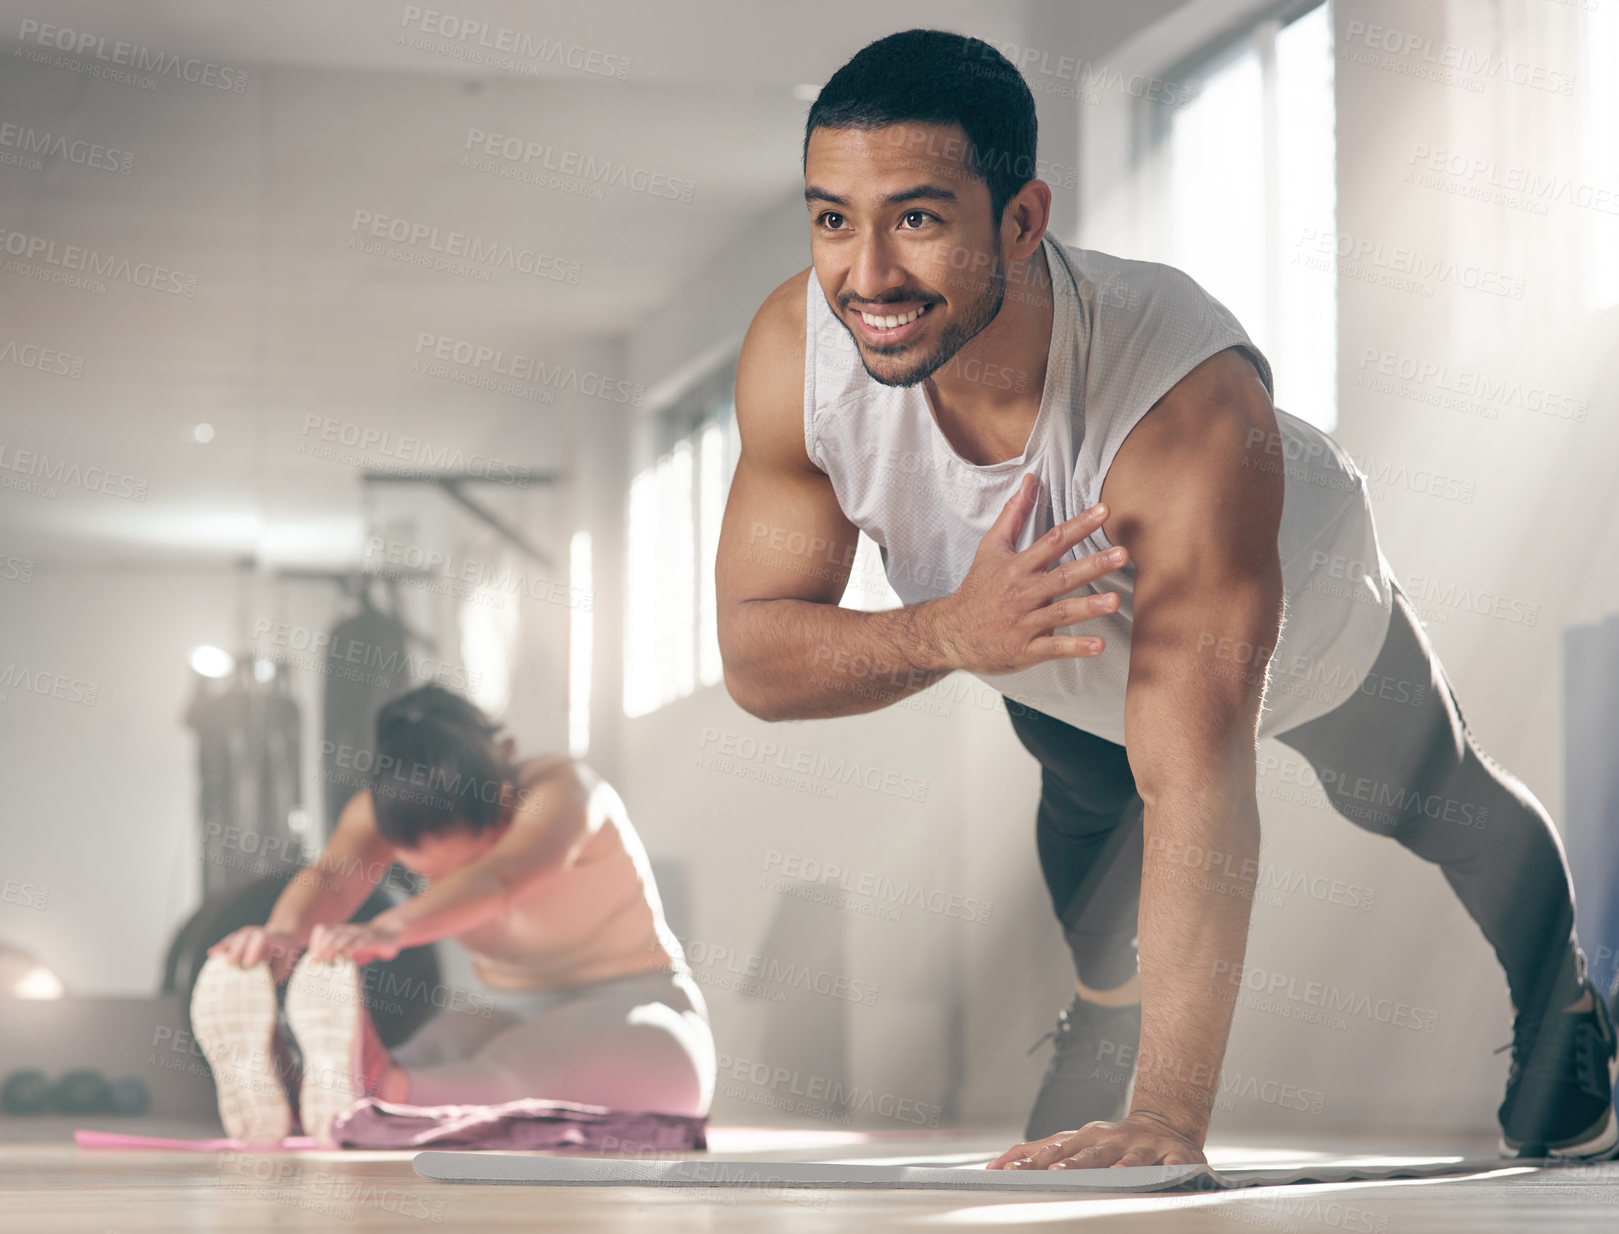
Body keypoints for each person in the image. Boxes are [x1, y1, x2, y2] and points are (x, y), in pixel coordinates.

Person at [714, 28, 1616, 1170]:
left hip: (1294, 607)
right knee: (1084, 802)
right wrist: (951, 627)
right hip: (1022, 609)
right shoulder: (798, 350)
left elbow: (1193, 782)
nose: (868, 274)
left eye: (920, 218)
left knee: (1428, 799)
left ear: (1022, 220)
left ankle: (1565, 1008)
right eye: (833, 218)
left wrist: (1166, 1117)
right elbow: (756, 659)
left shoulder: (1180, 401)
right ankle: (1103, 1007)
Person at [190, 684, 713, 1144]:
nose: (444, 888)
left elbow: (499, 880)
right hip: (502, 1013)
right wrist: (281, 936)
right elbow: (331, 877)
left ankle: (381, 1098)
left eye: (465, 865)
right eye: (432, 876)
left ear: (504, 792)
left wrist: (387, 929)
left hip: (642, 1008)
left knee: (507, 1077)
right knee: (422, 1064)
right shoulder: (389, 808)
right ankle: (308, 1086)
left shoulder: (565, 792)